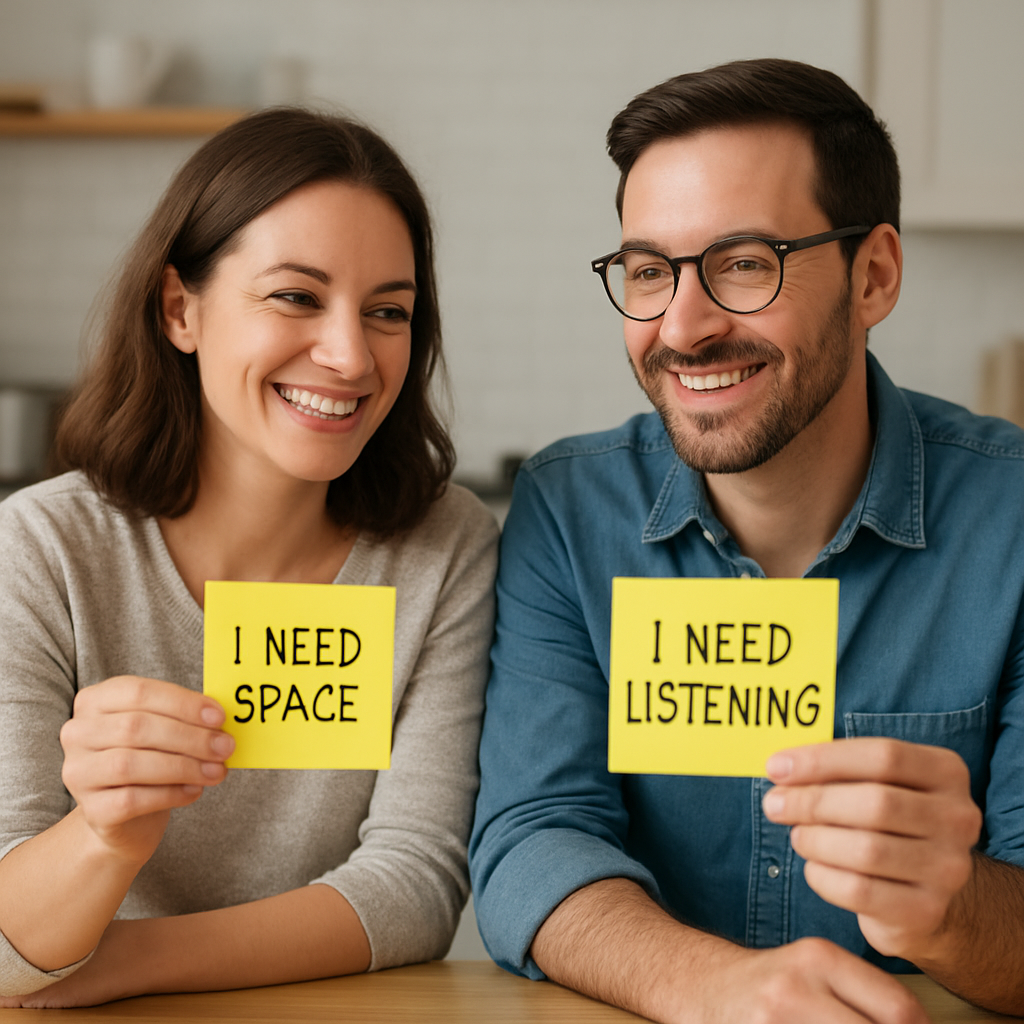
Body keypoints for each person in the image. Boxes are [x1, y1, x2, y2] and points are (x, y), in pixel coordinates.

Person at [469, 58, 1024, 1023]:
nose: (682, 327)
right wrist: (709, 984)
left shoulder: (1013, 519)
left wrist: (950, 905)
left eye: (743, 263)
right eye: (648, 271)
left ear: (875, 275)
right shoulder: (566, 509)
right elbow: (532, 839)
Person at [0, 108, 498, 1007]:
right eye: (295, 296)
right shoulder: (40, 550)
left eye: (388, 311)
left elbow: (415, 887)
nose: (350, 355)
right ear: (179, 309)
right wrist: (108, 837)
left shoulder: (445, 547)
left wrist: (110, 964)